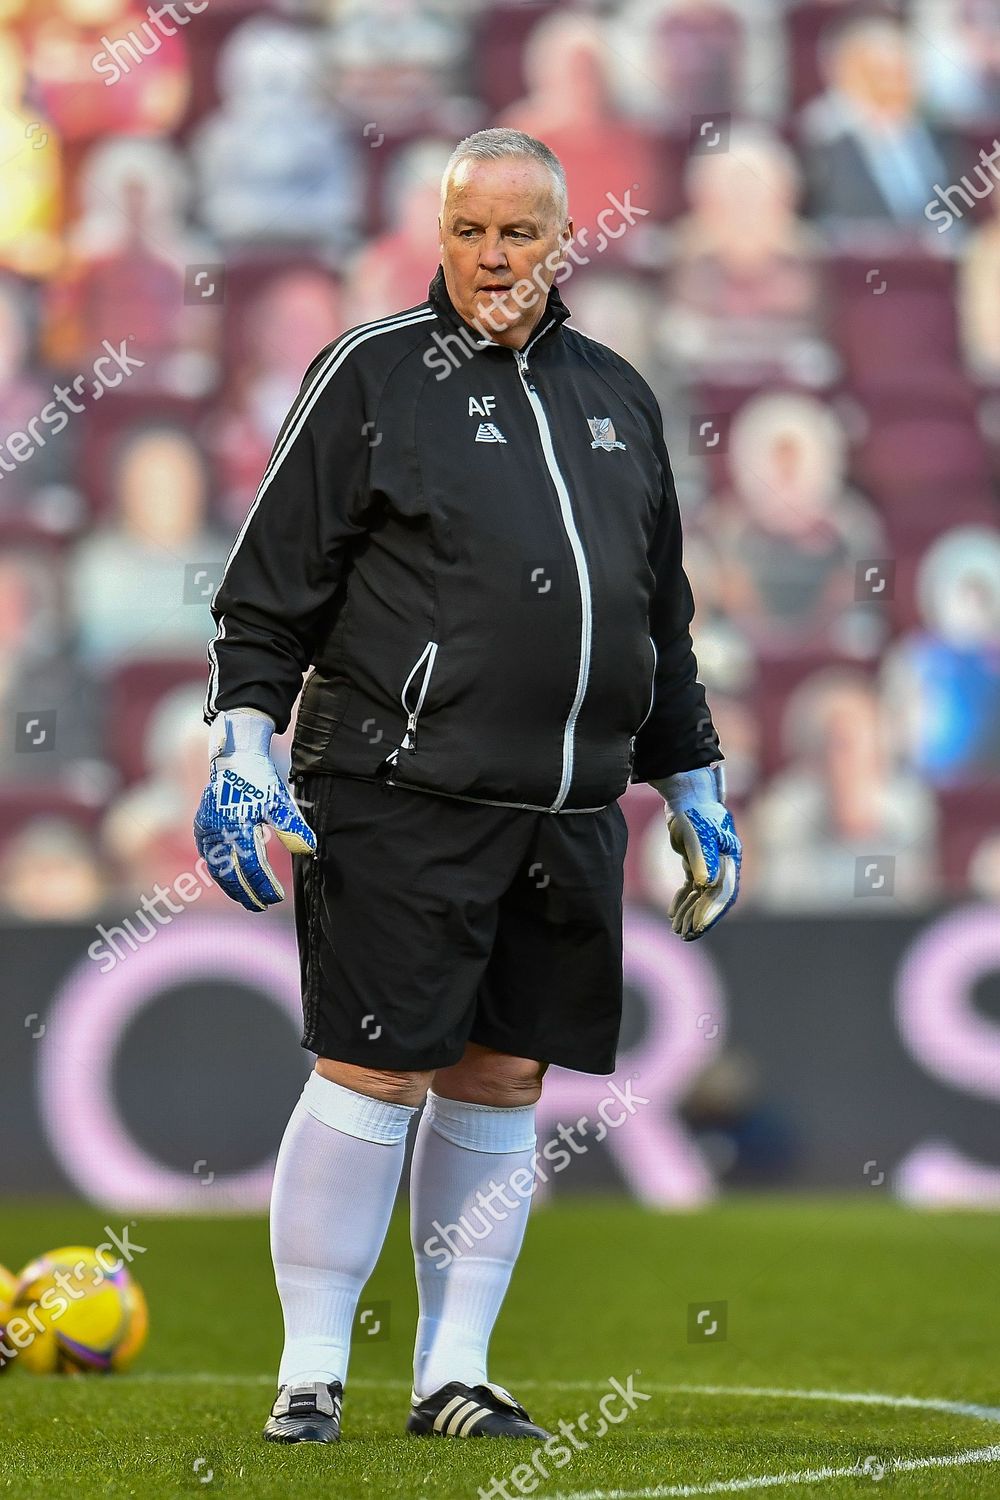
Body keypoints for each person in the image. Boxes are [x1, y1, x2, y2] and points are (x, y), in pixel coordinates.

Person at [194, 129, 741, 1445]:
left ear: (567, 238)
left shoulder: (619, 395)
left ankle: (455, 1373)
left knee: (502, 1084)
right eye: (469, 232)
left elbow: (657, 622)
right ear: (437, 238)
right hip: (395, 788)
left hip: (565, 812)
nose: (494, 258)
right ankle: (312, 1371)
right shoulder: (370, 375)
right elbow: (266, 599)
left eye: (519, 232)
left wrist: (695, 783)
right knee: (371, 1070)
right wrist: (241, 750)